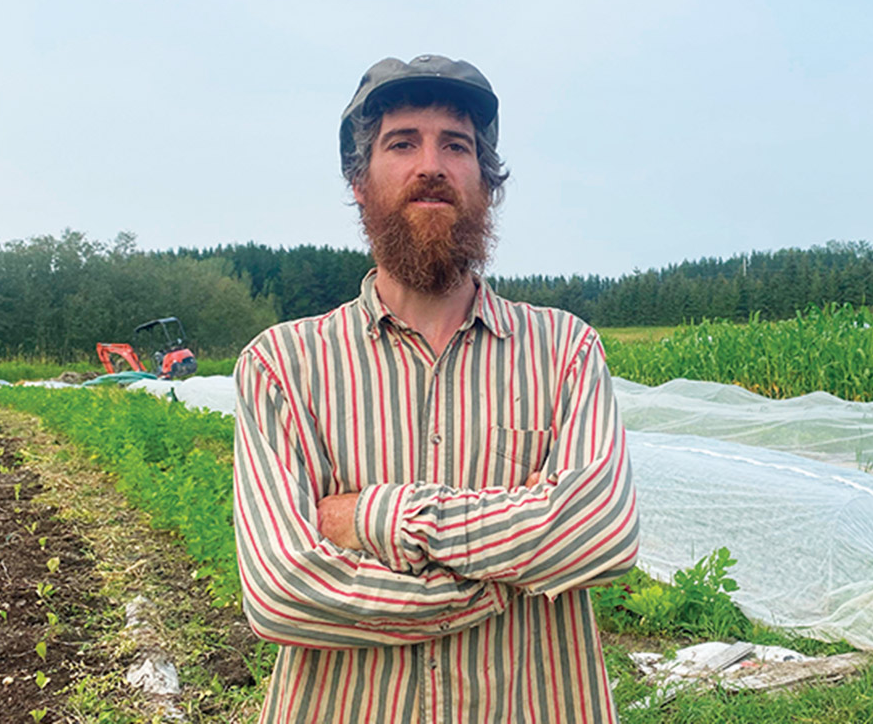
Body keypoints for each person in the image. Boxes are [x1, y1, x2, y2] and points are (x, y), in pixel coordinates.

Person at [233, 54, 640, 723]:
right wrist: (487, 588)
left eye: (457, 145)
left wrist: (374, 517)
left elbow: (599, 531)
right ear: (360, 182)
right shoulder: (284, 367)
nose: (433, 164)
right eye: (402, 143)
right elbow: (283, 590)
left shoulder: (565, 351)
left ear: (486, 182)